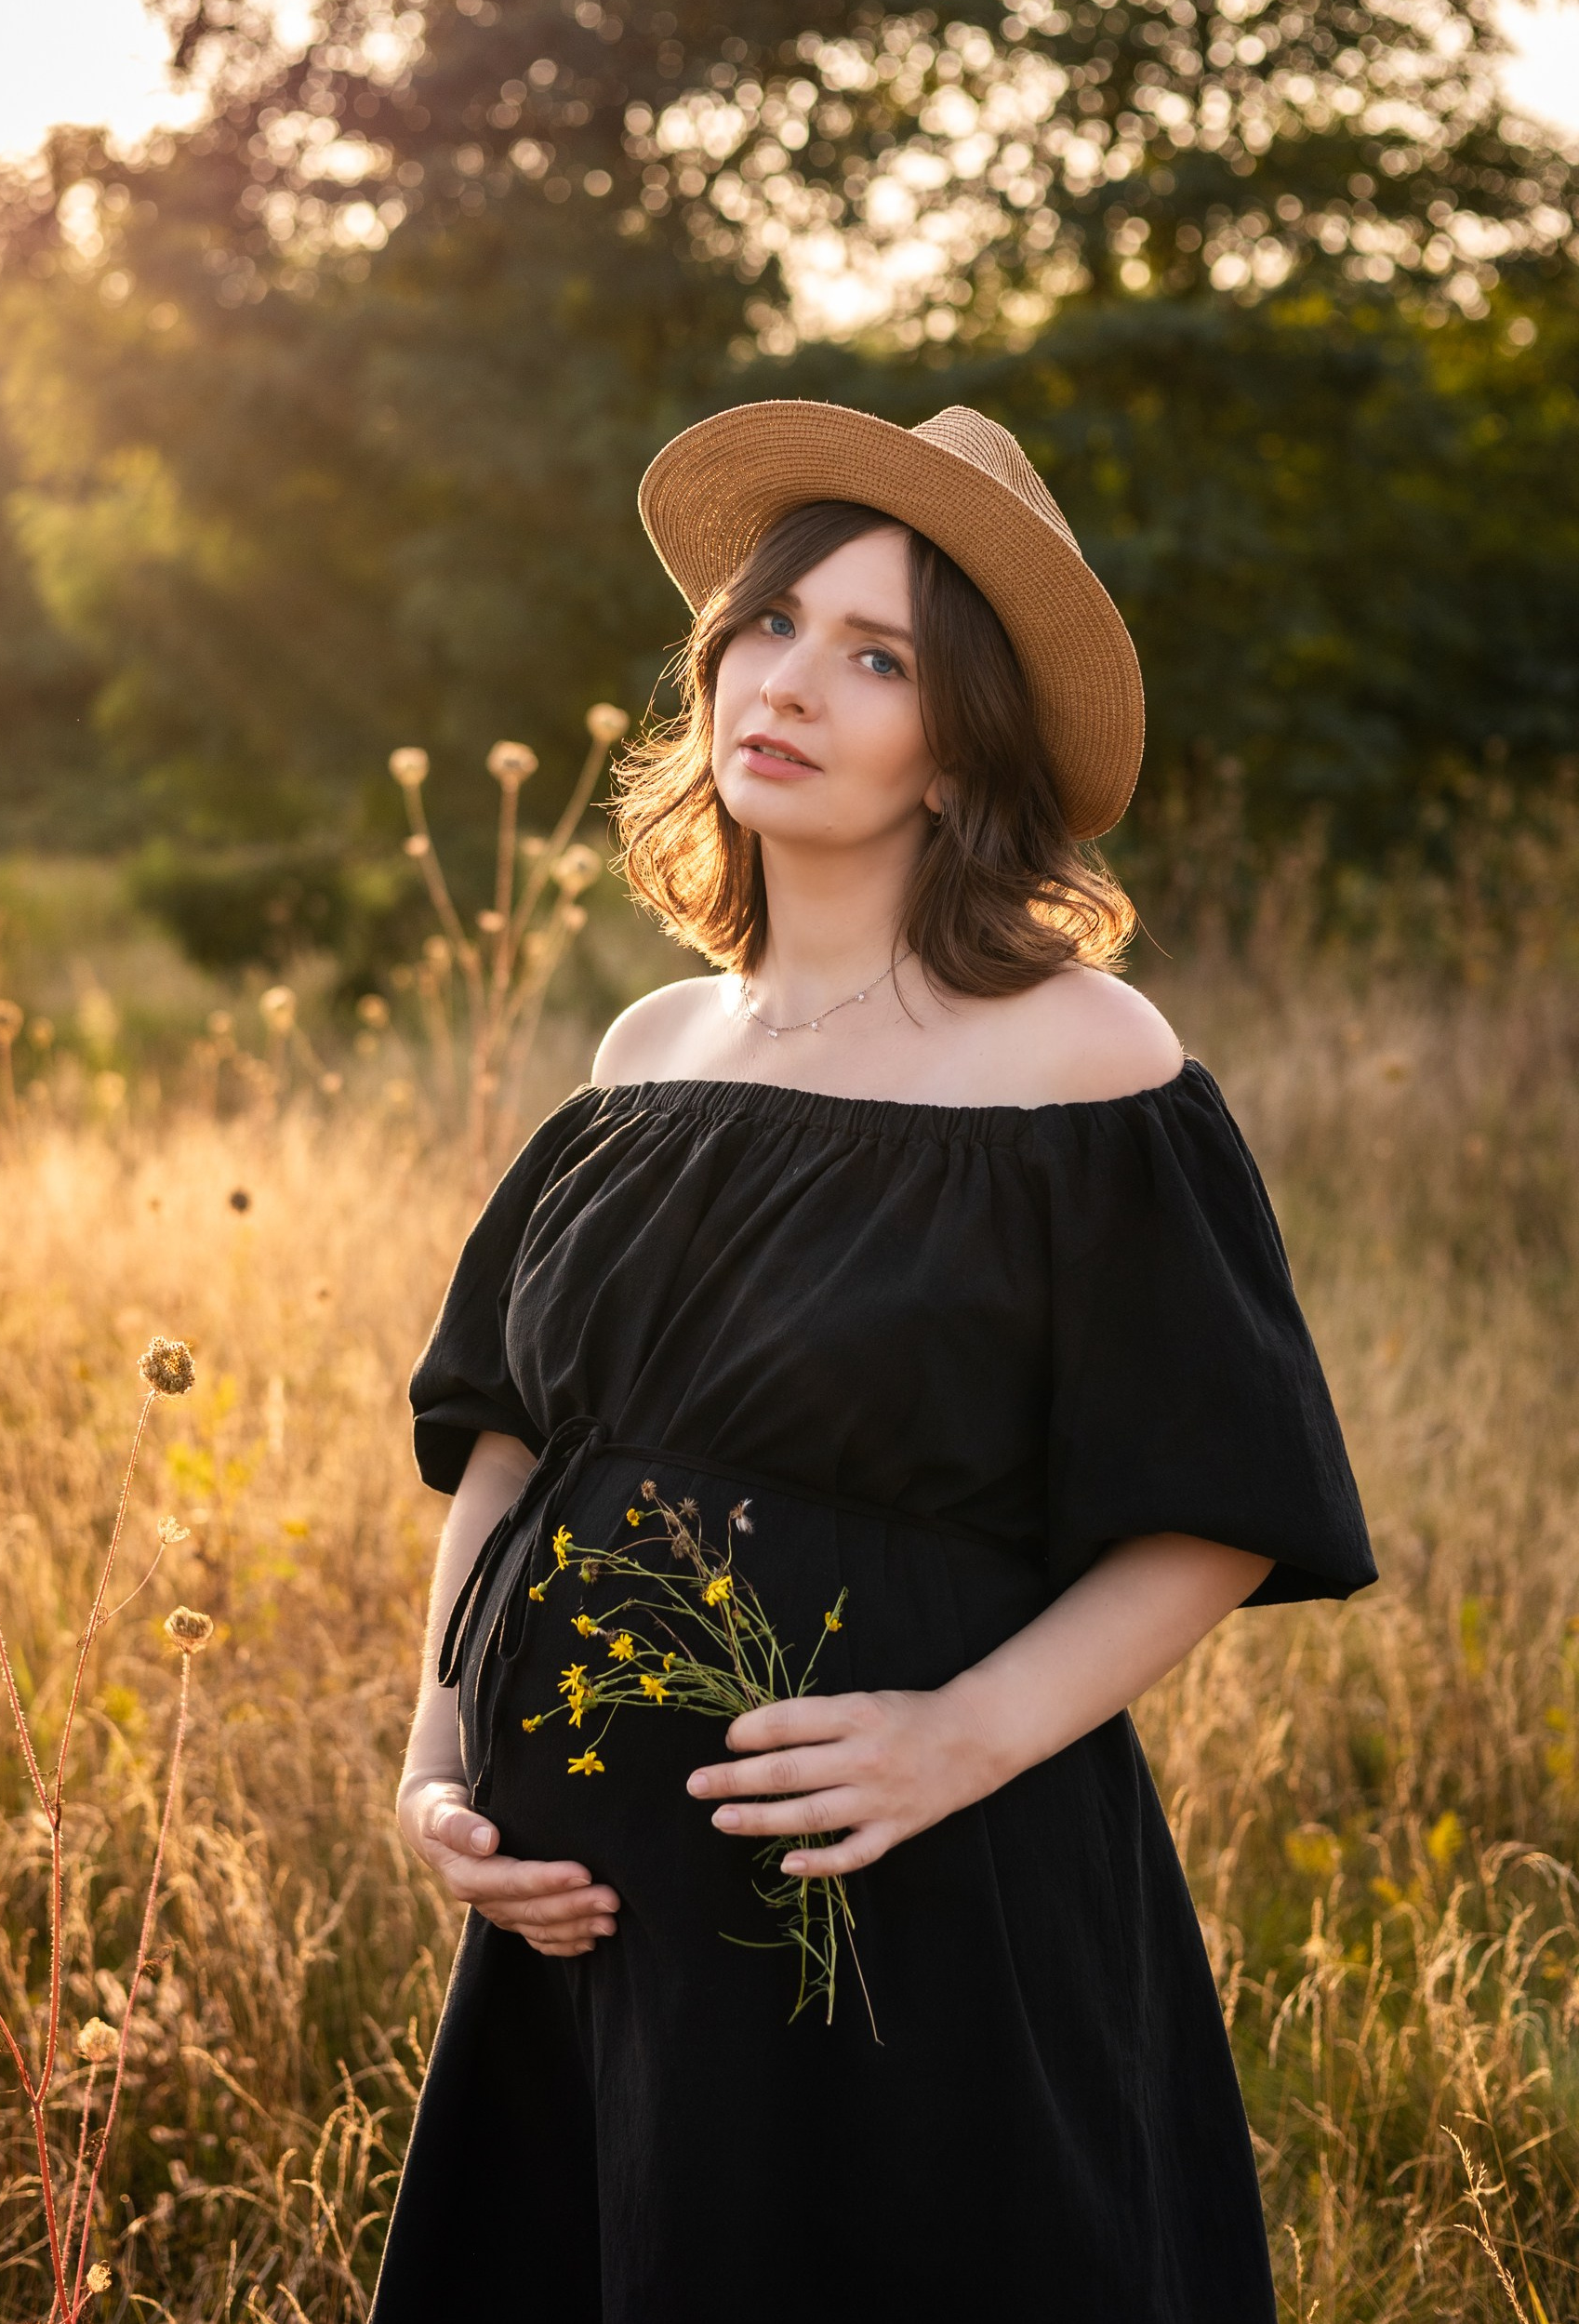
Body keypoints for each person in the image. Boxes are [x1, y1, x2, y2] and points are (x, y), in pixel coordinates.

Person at [371, 402, 1374, 2323]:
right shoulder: (645, 1051)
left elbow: (1217, 1509)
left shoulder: (1084, 1062)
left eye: (878, 655)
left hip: (914, 1904)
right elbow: (507, 1451)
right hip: (591, 1919)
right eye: (770, 626)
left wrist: (952, 1739)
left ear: (962, 741)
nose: (792, 682)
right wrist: (440, 1769)